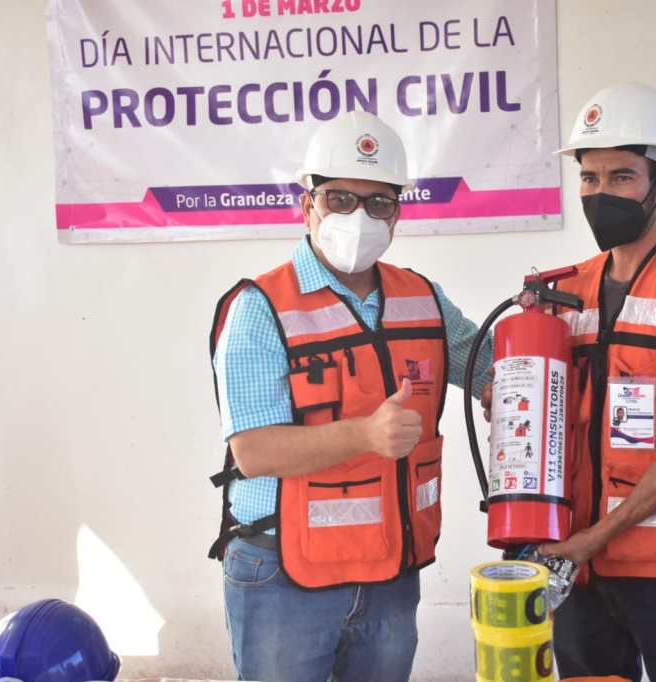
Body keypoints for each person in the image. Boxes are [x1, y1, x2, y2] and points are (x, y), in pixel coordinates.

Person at [486, 83, 656, 682]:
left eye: (621, 177)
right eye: (589, 177)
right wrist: (509, 401)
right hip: (578, 567)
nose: (600, 193)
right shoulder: (565, 290)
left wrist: (593, 538)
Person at [206, 110, 492, 682]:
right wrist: (364, 434)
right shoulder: (259, 308)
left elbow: (491, 370)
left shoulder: (423, 299)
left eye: (378, 202)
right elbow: (254, 452)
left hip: (389, 568)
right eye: (339, 199)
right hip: (283, 570)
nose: (359, 216)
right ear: (307, 204)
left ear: (397, 214)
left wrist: (534, 351)